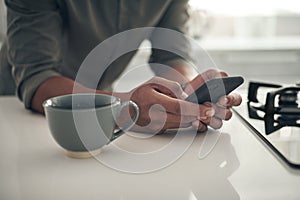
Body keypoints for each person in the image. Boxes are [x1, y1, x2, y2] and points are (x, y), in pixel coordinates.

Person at [0, 0, 242, 133]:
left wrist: (187, 93)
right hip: (16, 112)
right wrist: (127, 108)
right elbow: (38, 76)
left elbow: (172, 56)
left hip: (100, 106)